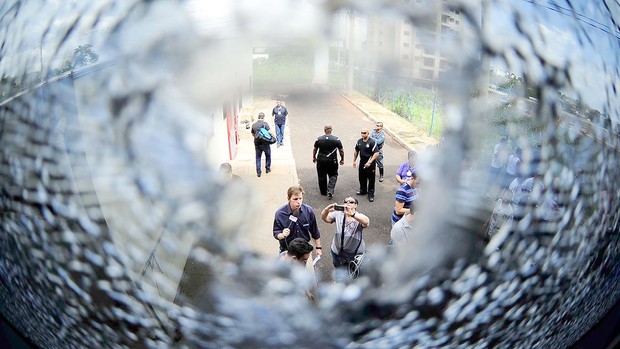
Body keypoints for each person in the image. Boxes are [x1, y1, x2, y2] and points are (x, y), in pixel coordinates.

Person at [320, 196, 369, 277]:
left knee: (355, 270)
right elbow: (325, 219)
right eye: (346, 202)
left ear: (356, 205)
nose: (348, 203)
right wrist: (326, 210)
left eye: (351, 202)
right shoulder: (338, 214)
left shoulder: (358, 216)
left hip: (353, 252)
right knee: (339, 269)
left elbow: (366, 222)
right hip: (337, 251)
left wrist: (352, 214)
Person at [273, 186, 323, 257]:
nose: (298, 202)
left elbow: (315, 231)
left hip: (303, 251)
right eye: (295, 199)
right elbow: (276, 233)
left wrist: (318, 247)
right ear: (288, 199)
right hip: (287, 251)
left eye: (300, 198)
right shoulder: (280, 214)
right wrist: (282, 235)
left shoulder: (308, 211)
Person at [312, 125, 345, 199]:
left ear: (324, 130)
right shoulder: (336, 140)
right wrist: (342, 159)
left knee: (321, 175)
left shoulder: (319, 139)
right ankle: (330, 190)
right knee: (333, 174)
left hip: (321, 160)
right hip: (332, 160)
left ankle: (323, 191)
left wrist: (314, 157)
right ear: (331, 130)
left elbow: (315, 149)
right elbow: (341, 150)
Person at [352, 128, 380, 202]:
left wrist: (370, 162)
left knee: (371, 179)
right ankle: (363, 190)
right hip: (362, 162)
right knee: (361, 177)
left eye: (364, 133)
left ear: (368, 133)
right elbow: (356, 150)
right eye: (362, 133)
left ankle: (370, 194)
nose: (363, 134)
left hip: (370, 163)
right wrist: (354, 160)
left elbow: (376, 153)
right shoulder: (359, 141)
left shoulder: (372, 142)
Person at [251, 112, 274, 177]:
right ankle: (267, 169)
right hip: (265, 143)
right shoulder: (265, 124)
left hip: (257, 143)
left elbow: (252, 134)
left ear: (258, 117)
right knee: (268, 155)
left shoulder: (254, 125)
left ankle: (258, 172)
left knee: (258, 157)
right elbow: (269, 132)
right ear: (263, 117)